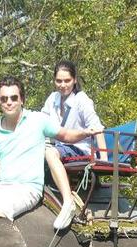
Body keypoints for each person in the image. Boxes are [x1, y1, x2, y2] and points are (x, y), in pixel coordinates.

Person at [0, 76, 103, 224]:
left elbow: (65, 134)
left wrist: (85, 132)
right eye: (4, 99)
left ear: (22, 100)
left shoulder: (38, 120)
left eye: (14, 98)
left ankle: (68, 204)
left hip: (27, 190)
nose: (9, 102)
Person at [41, 61, 106, 230]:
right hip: (59, 146)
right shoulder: (52, 99)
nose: (63, 85)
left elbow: (97, 128)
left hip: (79, 148)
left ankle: (68, 201)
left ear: (75, 80)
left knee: (49, 152)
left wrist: (104, 158)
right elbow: (40, 123)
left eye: (67, 81)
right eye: (59, 81)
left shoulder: (82, 101)